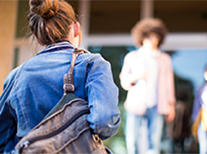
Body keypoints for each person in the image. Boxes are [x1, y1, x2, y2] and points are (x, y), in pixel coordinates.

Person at [0, 0, 121, 153]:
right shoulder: (92, 64)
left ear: (37, 38)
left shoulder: (16, 76)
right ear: (76, 29)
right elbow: (104, 123)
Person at [119, 18, 176, 154]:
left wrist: (171, 105)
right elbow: (124, 81)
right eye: (149, 36)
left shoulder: (164, 59)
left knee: (154, 142)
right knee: (132, 140)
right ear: (142, 37)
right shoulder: (132, 57)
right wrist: (136, 77)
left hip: (157, 104)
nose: (152, 39)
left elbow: (169, 84)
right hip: (135, 104)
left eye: (156, 36)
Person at [192, 64, 207, 154]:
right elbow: (196, 107)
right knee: (204, 147)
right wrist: (195, 120)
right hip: (203, 121)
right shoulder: (200, 89)